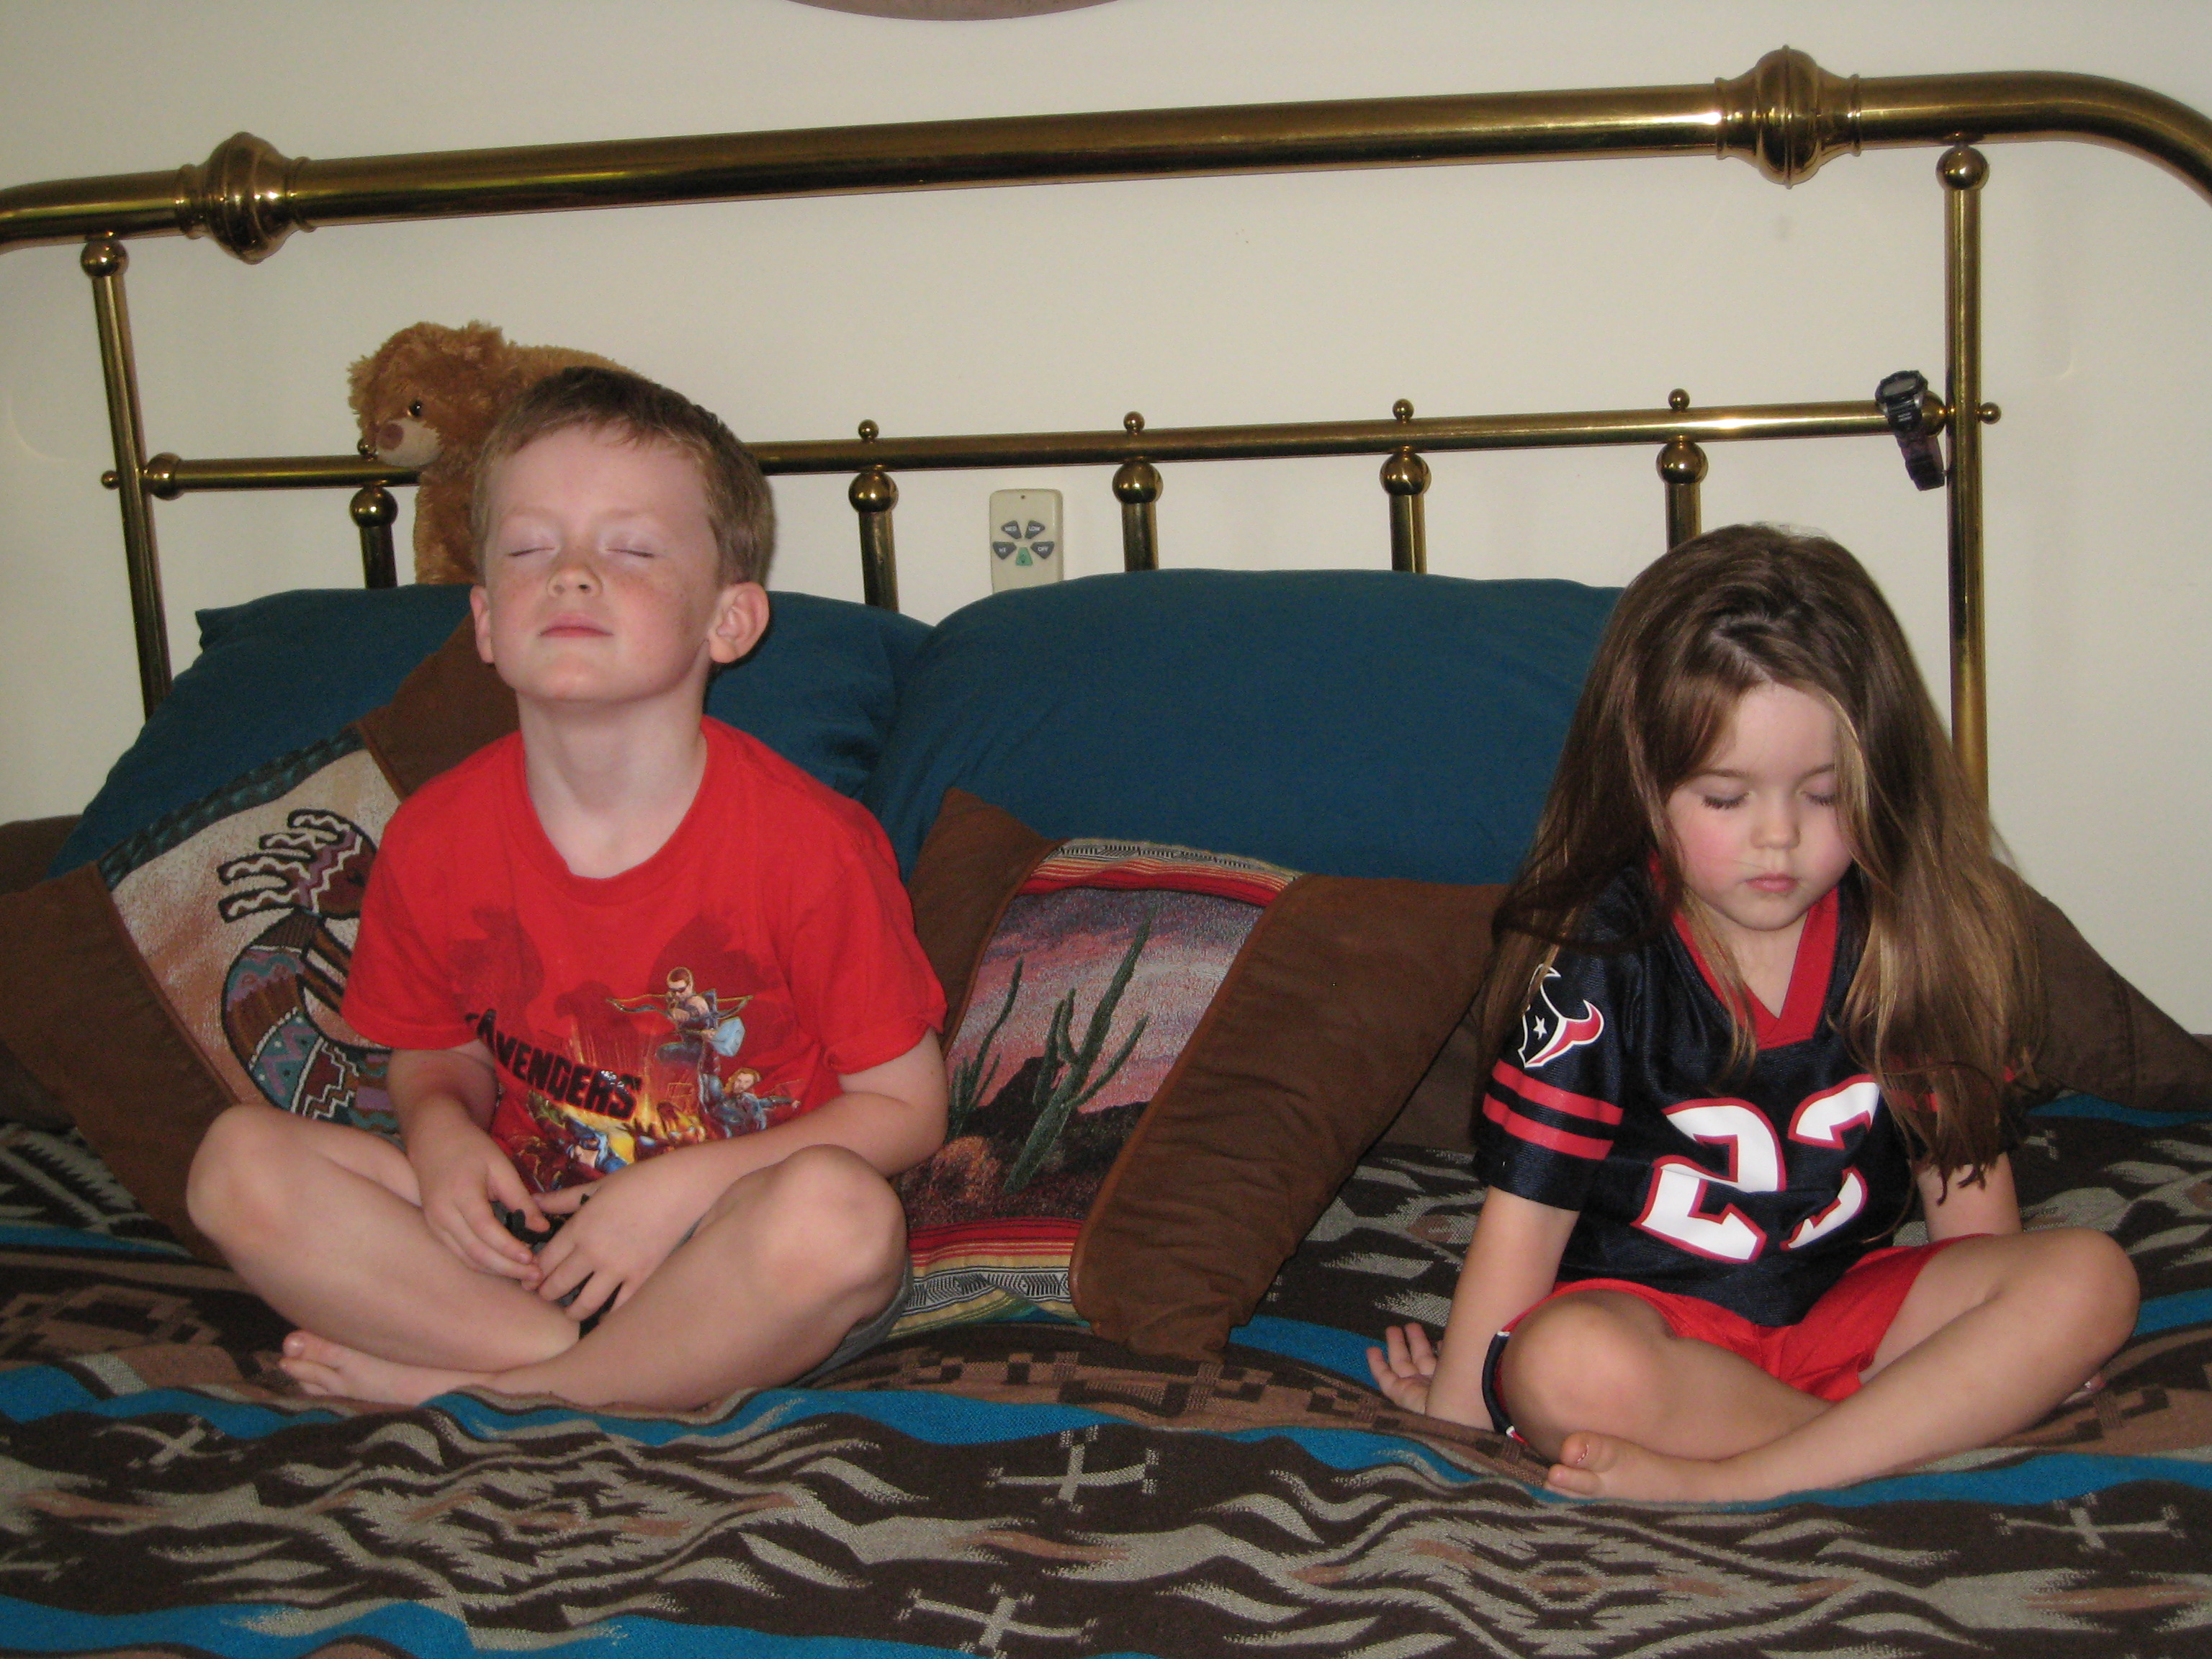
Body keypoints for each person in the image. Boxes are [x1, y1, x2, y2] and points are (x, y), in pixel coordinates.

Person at [187, 367, 947, 1412]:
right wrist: (443, 1139)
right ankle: (561, 1369)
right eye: (529, 549)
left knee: (842, 1220)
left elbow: (906, 1110)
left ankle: (495, 1392)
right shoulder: (435, 837)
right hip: (528, 1243)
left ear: (729, 620)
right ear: (485, 620)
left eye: (631, 550)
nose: (574, 576)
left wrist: (679, 1188)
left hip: (728, 1248)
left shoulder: (809, 847)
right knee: (235, 1163)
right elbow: (436, 1052)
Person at [1367, 523, 2137, 1503]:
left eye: (1825, 794)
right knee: (1559, 1365)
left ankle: (1735, 1474)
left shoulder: (1914, 931)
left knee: (2090, 1277)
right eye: (1727, 799)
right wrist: (1455, 1415)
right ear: (1643, 783)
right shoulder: (1602, 956)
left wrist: (2004, 1328)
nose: (1779, 838)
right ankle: (1895, 1435)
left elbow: (1975, 1228)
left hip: (1848, 1310)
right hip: (1659, 1336)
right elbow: (1525, 1227)